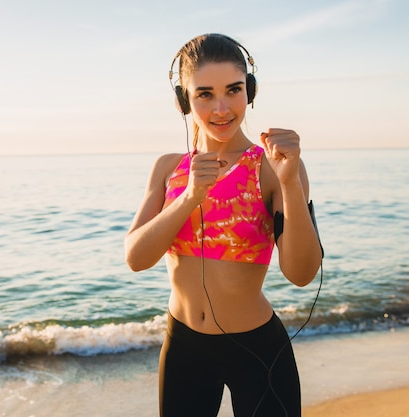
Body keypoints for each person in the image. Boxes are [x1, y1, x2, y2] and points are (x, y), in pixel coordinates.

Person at [124, 33, 323, 417]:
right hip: (183, 346)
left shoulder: (272, 167)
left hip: (258, 350)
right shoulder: (168, 168)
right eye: (204, 94)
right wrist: (188, 198)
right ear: (184, 100)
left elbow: (301, 273)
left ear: (250, 90)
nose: (221, 108)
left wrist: (290, 182)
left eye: (233, 90)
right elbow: (136, 257)